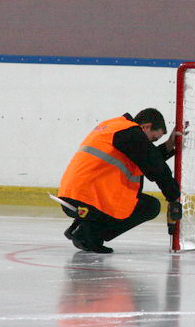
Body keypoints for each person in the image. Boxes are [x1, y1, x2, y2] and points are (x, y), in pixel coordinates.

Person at [57, 108, 185, 253]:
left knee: (136, 201)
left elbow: (148, 158)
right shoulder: (131, 132)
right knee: (150, 206)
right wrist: (174, 197)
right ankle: (88, 234)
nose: (151, 144)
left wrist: (169, 145)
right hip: (88, 198)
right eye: (153, 139)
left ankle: (82, 226)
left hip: (76, 195)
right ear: (146, 126)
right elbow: (155, 166)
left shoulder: (115, 126)